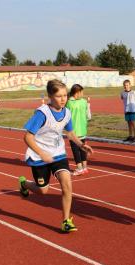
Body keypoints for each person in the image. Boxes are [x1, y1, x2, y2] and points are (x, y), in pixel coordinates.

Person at [19, 79, 93, 232]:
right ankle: (24, 184)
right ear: (50, 97)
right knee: (43, 190)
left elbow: (70, 132)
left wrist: (81, 145)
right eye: (59, 96)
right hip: (39, 156)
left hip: (58, 154)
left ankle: (66, 221)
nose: (63, 99)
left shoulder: (67, 112)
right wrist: (42, 153)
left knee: (67, 185)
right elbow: (27, 137)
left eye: (65, 95)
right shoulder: (42, 113)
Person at [66, 84, 91, 175]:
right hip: (83, 129)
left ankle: (79, 168)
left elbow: (66, 117)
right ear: (77, 92)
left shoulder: (69, 103)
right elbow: (88, 116)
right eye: (82, 92)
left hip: (73, 131)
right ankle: (84, 167)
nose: (83, 94)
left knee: (75, 150)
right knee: (83, 148)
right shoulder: (84, 102)